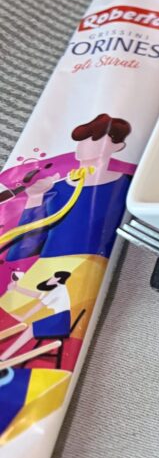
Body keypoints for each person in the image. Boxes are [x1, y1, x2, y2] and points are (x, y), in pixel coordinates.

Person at [4, 114, 132, 261]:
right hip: (46, 269)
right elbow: (23, 248)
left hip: (94, 265)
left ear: (118, 146)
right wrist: (35, 198)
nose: (84, 144)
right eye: (82, 139)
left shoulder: (126, 183)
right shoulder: (55, 189)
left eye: (94, 138)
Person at [0, 270, 72, 363]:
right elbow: (37, 295)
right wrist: (16, 288)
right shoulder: (58, 288)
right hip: (60, 320)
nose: (51, 279)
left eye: (53, 277)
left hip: (60, 322)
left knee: (32, 328)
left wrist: (24, 317)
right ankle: (3, 357)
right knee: (32, 328)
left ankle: (3, 358)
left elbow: (40, 305)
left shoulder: (59, 289)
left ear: (58, 278)